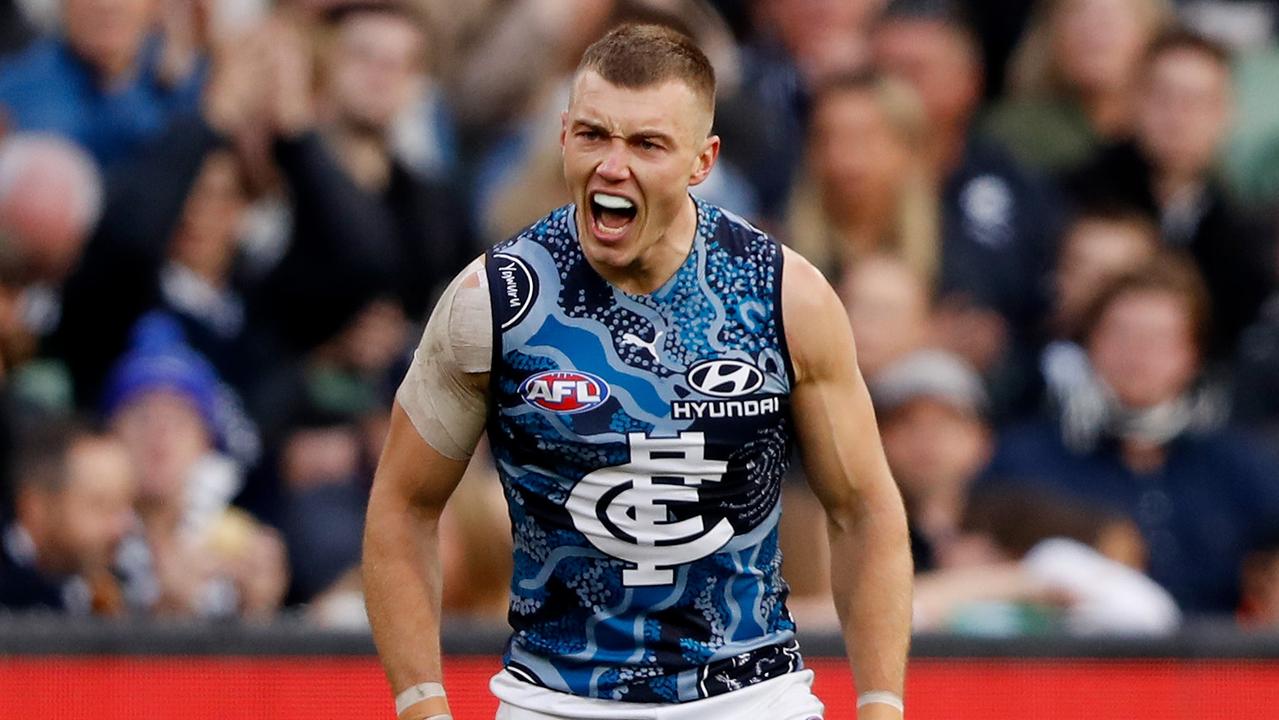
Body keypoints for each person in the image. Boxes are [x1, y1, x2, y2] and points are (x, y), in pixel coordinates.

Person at [363, 23, 911, 720]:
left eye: (647, 143)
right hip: (553, 700)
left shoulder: (785, 296)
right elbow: (401, 506)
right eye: (593, 135)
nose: (612, 166)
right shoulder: (492, 302)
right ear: (561, 134)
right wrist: (421, 706)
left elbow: (862, 507)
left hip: (749, 698)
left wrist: (881, 706)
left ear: (701, 160)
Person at [1, 419, 137, 615]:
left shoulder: (128, 579)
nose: (122, 526)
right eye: (101, 505)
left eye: (127, 504)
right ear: (35, 507)